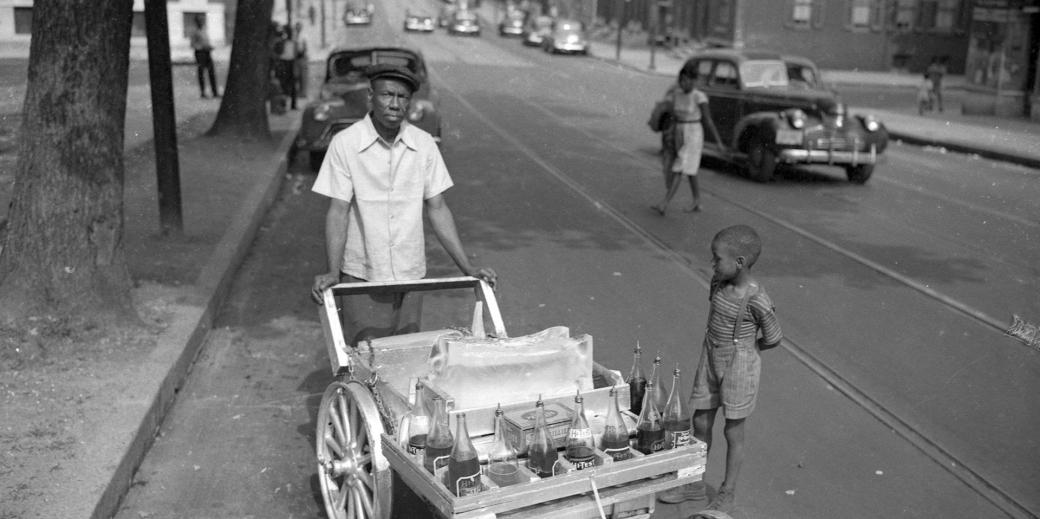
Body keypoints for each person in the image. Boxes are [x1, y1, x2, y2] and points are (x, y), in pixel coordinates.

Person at [310, 64, 497, 345]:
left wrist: (468, 269)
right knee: (365, 353)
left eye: (403, 97)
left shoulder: (424, 145)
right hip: (362, 271)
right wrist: (333, 271)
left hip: (411, 271)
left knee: (406, 353)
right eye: (388, 95)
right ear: (370, 97)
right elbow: (338, 211)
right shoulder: (345, 144)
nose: (395, 104)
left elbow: (438, 208)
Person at [657, 225, 782, 512]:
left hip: (739, 366)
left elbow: (774, 337)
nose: (713, 264)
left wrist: (749, 351)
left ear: (739, 262)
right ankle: (693, 483)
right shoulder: (718, 282)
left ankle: (727, 491)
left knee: (733, 431)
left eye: (717, 259)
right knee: (700, 421)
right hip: (710, 357)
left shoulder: (757, 299)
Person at [651, 62, 725, 216]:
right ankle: (697, 200)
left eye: (688, 80)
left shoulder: (699, 97)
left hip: (693, 133)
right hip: (679, 131)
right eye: (682, 80)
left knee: (680, 166)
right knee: (690, 169)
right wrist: (668, 135)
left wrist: (718, 142)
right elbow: (672, 116)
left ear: (694, 81)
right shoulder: (676, 95)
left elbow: (708, 120)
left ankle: (664, 203)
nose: (684, 83)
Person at [189, 15, 220, 98]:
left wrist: (209, 46)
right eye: (199, 20)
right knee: (201, 72)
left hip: (207, 52)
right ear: (196, 22)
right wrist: (201, 47)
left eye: (202, 20)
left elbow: (206, 42)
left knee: (211, 72)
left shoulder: (204, 30)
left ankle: (215, 92)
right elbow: (192, 44)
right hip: (200, 53)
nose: (201, 22)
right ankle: (203, 92)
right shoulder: (194, 32)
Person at [292, 22, 309, 99]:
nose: (298, 29)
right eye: (297, 27)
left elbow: (305, 46)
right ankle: (298, 92)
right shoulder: (294, 36)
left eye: (299, 27)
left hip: (302, 57)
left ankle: (303, 92)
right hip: (296, 57)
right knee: (297, 75)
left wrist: (304, 54)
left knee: (303, 76)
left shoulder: (303, 36)